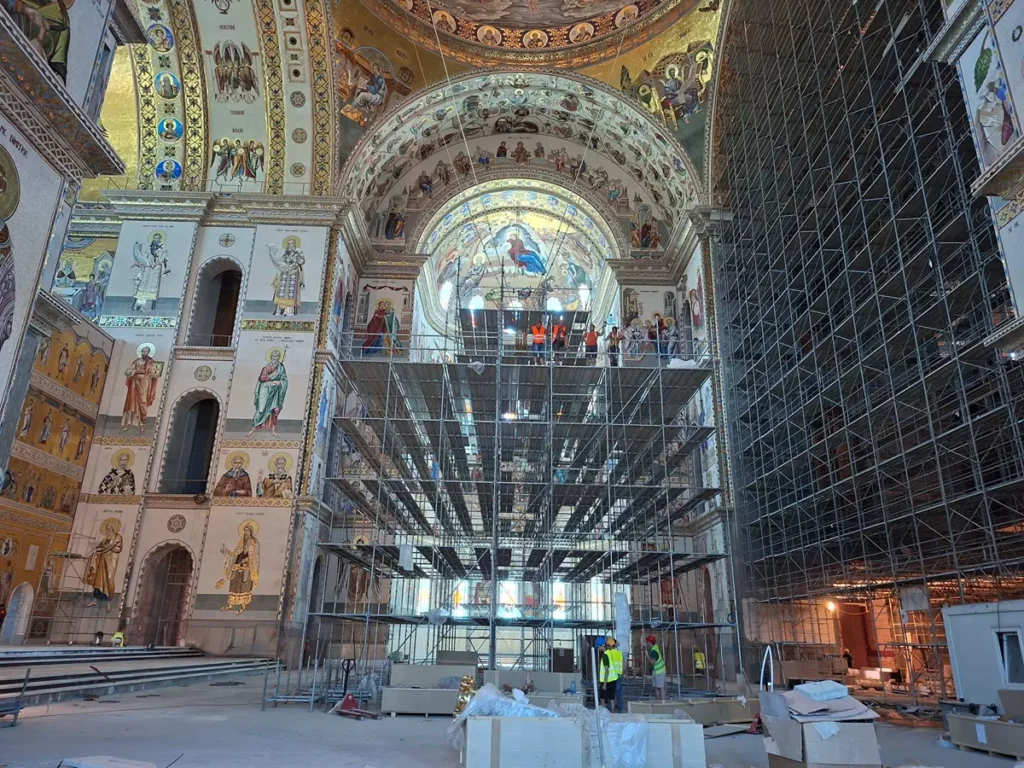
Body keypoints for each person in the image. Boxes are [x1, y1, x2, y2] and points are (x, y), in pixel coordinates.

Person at [598, 635, 621, 712]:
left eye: (598, 647)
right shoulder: (612, 653)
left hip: (607, 680)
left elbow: (606, 670)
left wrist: (604, 684)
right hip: (614, 678)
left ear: (602, 646)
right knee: (612, 697)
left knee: (602, 697)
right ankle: (613, 714)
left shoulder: (605, 655)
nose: (598, 649)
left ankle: (604, 714)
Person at [646, 635, 667, 702]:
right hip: (656, 671)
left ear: (650, 642)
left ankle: (662, 703)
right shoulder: (654, 646)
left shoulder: (653, 651)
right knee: (656, 688)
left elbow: (652, 663)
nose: (646, 643)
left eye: (647, 641)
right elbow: (642, 643)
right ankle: (658, 702)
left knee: (661, 688)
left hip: (660, 671)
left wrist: (647, 656)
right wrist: (642, 632)